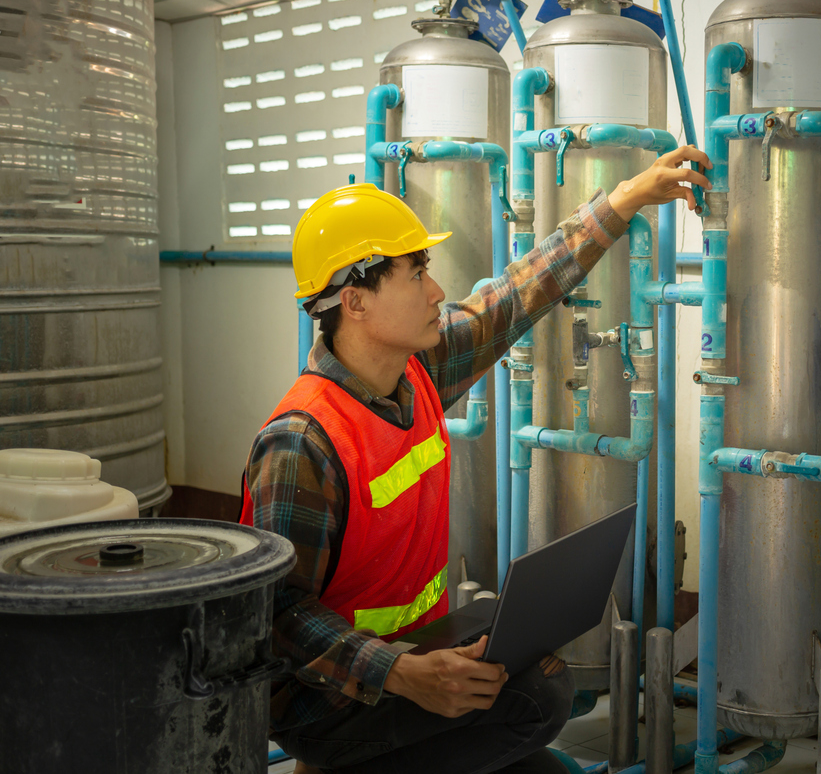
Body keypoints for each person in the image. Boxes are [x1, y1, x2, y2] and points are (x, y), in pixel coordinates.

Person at [241, 145, 711, 774]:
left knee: (547, 712)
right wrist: (402, 673)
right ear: (354, 301)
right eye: (416, 274)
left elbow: (512, 298)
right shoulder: (303, 441)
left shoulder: (417, 373)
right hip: (326, 698)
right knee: (536, 698)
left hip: (414, 651)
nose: (437, 291)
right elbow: (277, 616)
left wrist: (624, 200)